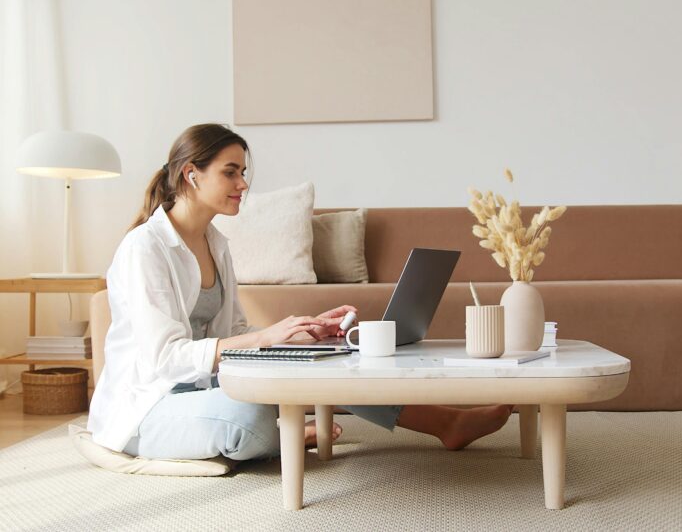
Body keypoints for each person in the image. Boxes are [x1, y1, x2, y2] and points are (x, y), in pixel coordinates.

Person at [87, 124, 513, 461]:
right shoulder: (145, 247)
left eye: (243, 173)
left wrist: (299, 335)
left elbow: (234, 331)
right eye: (230, 172)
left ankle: (447, 423)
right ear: (190, 173)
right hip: (148, 406)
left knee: (329, 363)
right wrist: (265, 338)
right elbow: (164, 358)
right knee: (249, 414)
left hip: (205, 386)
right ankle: (285, 436)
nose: (243, 183)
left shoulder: (216, 244)